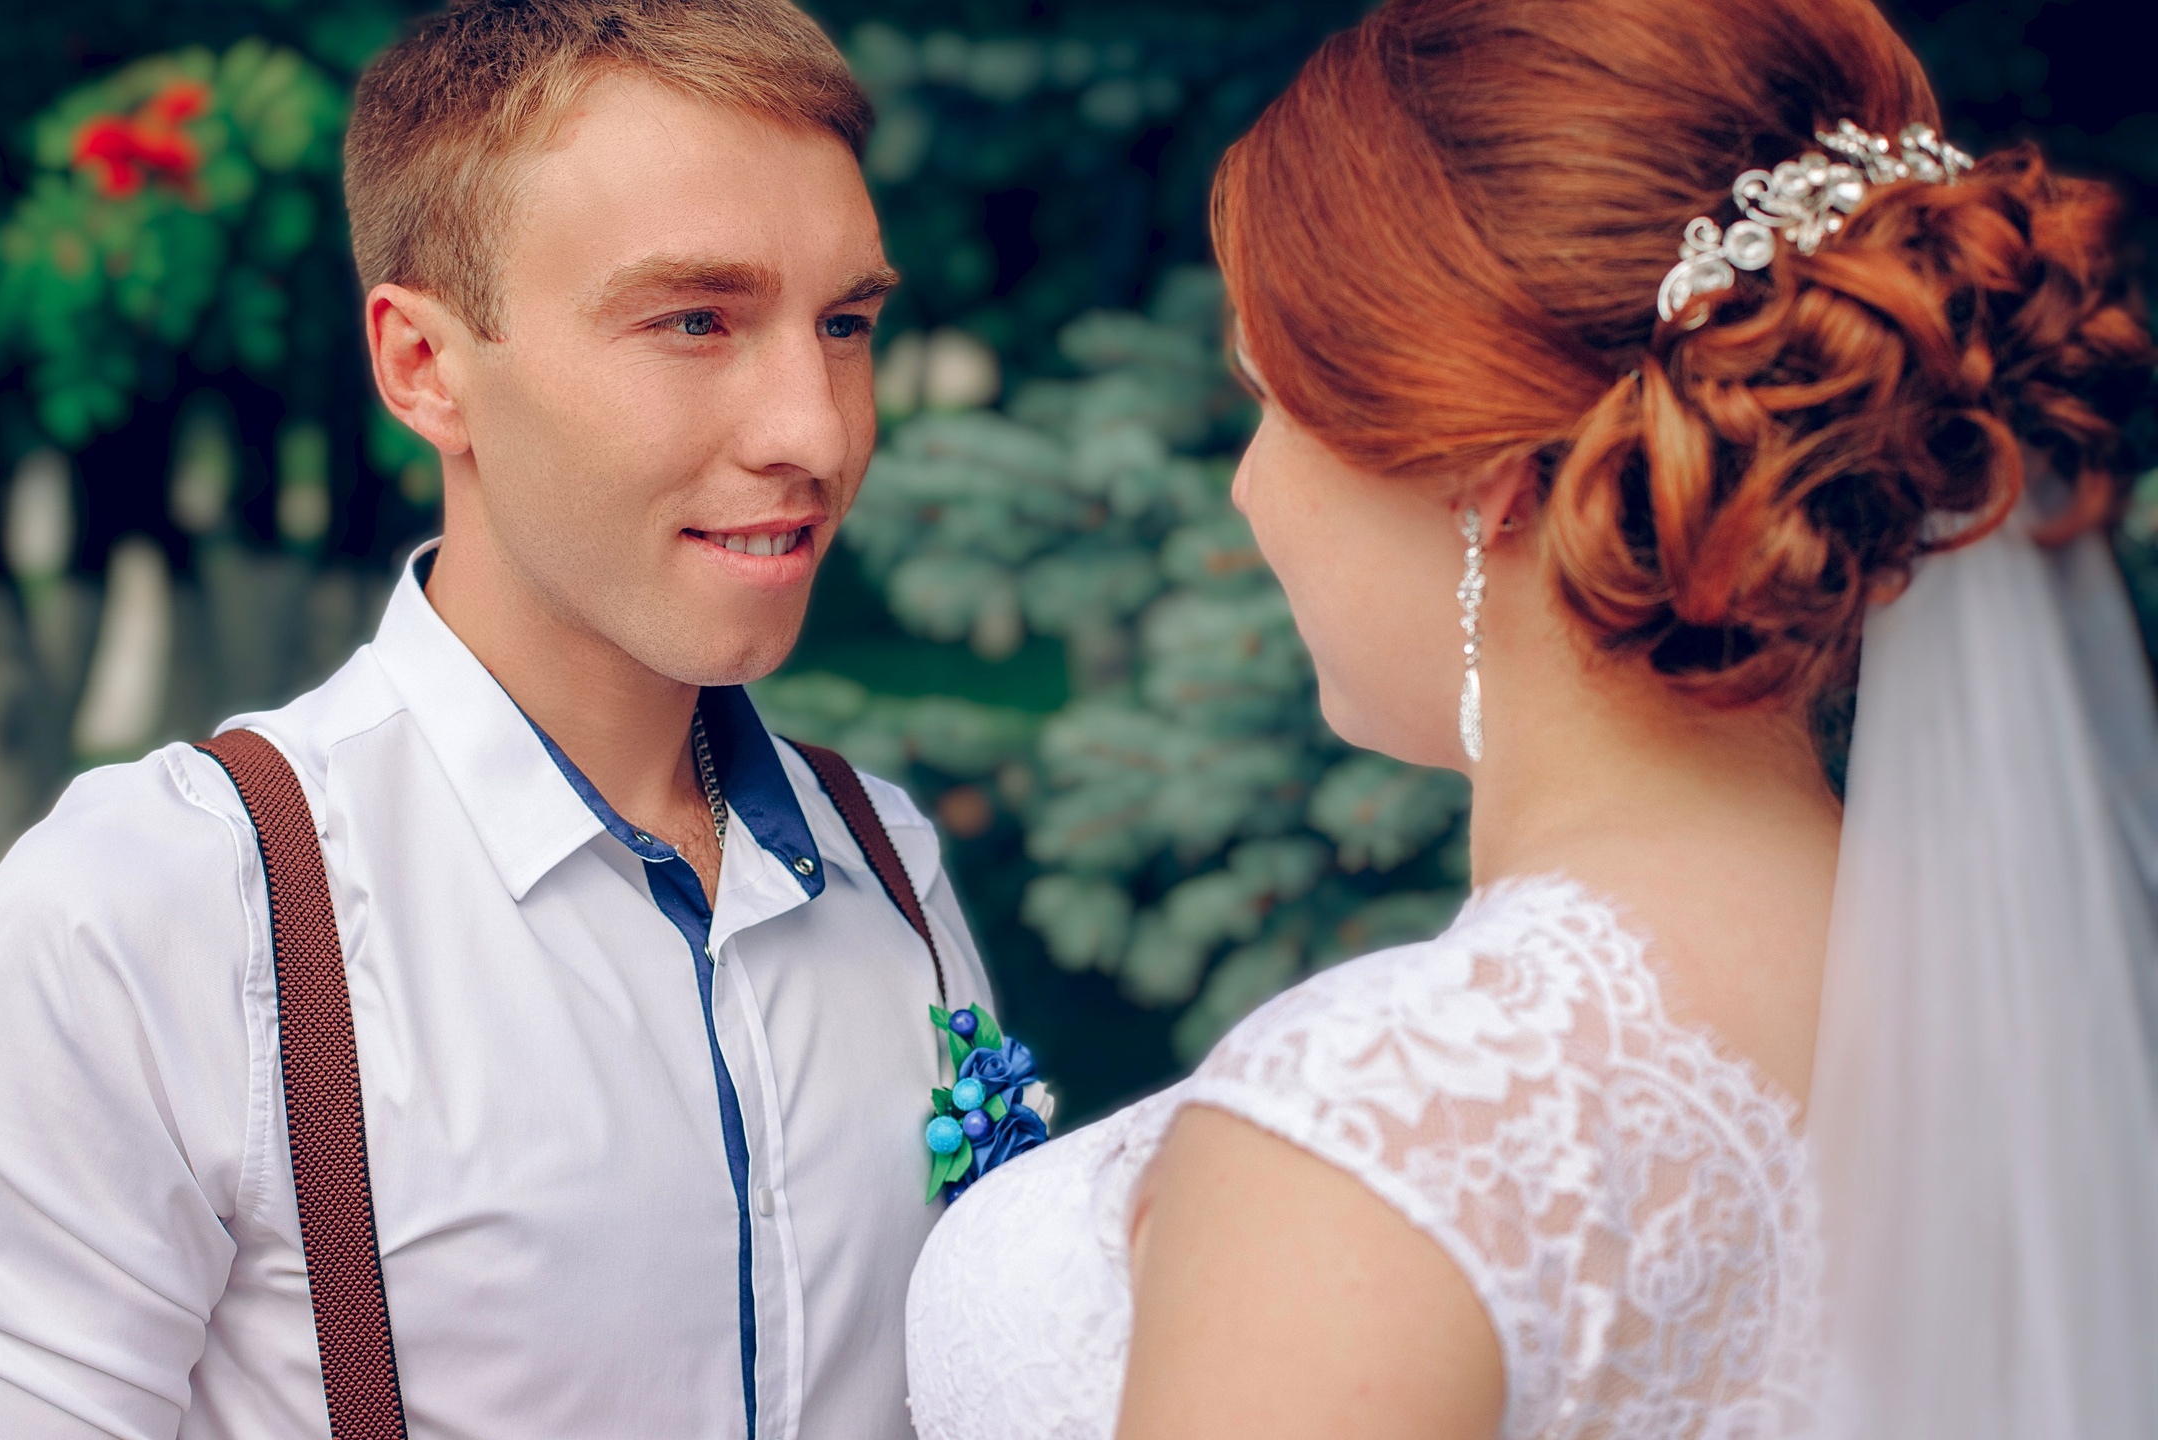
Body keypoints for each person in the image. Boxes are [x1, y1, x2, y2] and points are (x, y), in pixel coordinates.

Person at [906, 0, 2158, 1436]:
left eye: (1268, 395)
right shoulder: (2029, 1027)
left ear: (1489, 472)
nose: (1251, 488)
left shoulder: (1387, 1126)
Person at [0, 4, 994, 1437]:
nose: (818, 430)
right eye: (695, 319)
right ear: (423, 367)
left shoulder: (885, 866)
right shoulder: (162, 918)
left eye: (844, 324)